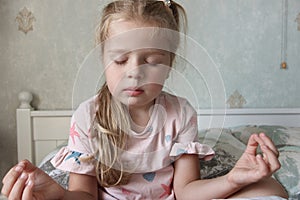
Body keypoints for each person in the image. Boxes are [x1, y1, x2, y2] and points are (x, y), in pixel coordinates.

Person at [1, 0, 288, 199]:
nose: (134, 74)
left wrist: (234, 179)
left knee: (273, 190)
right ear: (103, 59)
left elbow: (186, 192)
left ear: (169, 64)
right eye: (121, 60)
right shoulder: (87, 117)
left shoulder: (180, 113)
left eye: (151, 61)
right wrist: (58, 195)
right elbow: (84, 195)